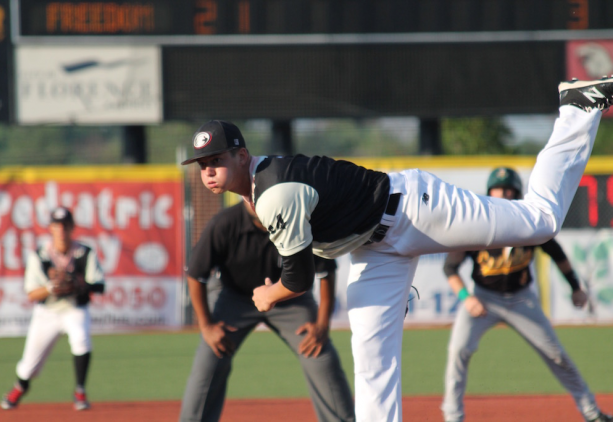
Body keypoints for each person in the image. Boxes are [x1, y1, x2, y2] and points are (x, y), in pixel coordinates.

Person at [180, 77, 613, 421]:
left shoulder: (273, 192)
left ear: (241, 155)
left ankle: (578, 108)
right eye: (202, 165)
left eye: (216, 159)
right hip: (376, 249)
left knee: (539, 222)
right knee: (371, 359)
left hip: (415, 209)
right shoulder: (259, 188)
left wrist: (269, 292)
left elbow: (296, 278)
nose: (208, 170)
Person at [440, 167, 612, 422]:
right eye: (499, 189)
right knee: (458, 350)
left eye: (509, 189)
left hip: (521, 300)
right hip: (483, 297)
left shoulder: (528, 223)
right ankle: (453, 417)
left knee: (557, 355)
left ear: (517, 193)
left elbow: (557, 254)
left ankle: (591, 412)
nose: (504, 194)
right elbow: (450, 268)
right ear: (490, 192)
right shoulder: (476, 226)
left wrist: (575, 287)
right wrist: (467, 297)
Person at [179, 200, 355, 422]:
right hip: (236, 299)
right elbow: (196, 274)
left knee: (319, 353)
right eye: (248, 195)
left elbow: (325, 273)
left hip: (289, 301)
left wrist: (322, 325)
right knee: (211, 354)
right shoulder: (224, 223)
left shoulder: (296, 222)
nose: (254, 199)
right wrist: (206, 326)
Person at [0, 207, 105, 411]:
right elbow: (31, 294)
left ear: (72, 227)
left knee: (81, 339)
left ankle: (80, 391)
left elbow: (99, 285)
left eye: (65, 225)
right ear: (50, 228)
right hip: (47, 312)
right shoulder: (39, 255)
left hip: (75, 308)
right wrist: (51, 287)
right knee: (29, 364)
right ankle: (19, 387)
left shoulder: (84, 253)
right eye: (57, 225)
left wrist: (78, 285)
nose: (61, 230)